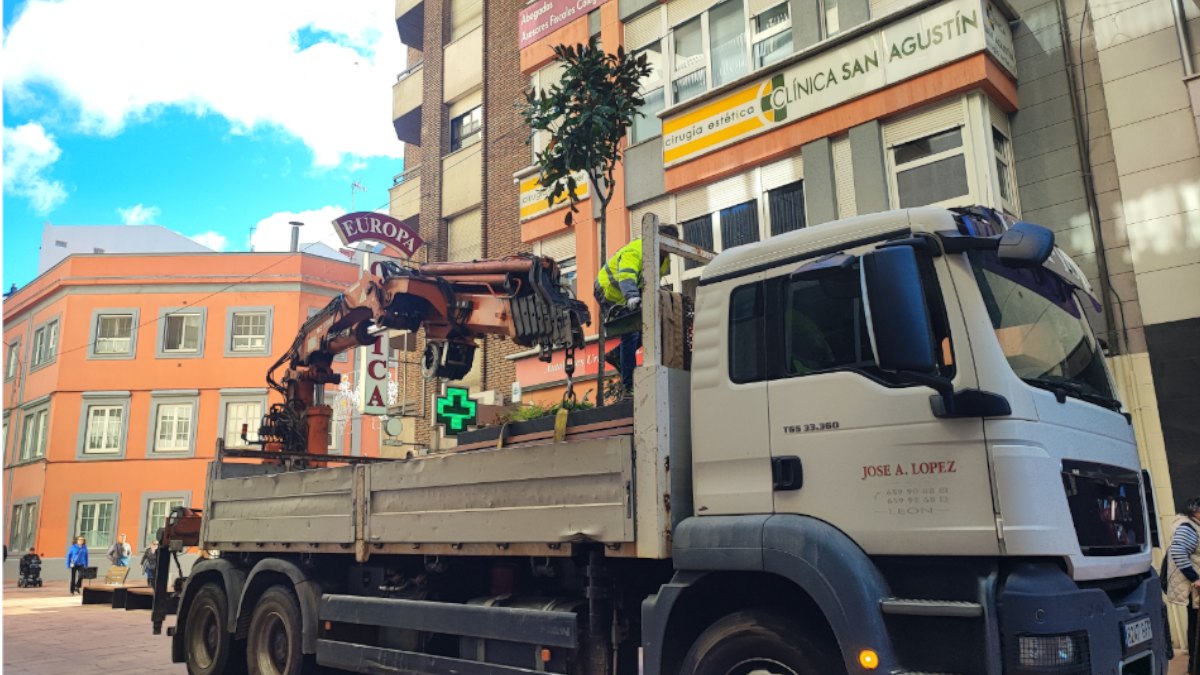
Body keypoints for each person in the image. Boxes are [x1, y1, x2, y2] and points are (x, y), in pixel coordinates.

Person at [594, 224, 677, 393]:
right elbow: (626, 274)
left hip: (628, 293)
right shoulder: (637, 250)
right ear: (659, 240)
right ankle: (629, 385)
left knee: (647, 329)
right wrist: (632, 295)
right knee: (631, 332)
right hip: (608, 291)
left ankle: (617, 355)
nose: (668, 251)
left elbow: (652, 283)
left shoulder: (663, 259)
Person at [1165, 496, 1200, 675]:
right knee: (1197, 631)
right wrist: (1195, 578)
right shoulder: (1188, 528)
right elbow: (1178, 552)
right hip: (1196, 591)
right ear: (1196, 511)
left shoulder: (1194, 526)